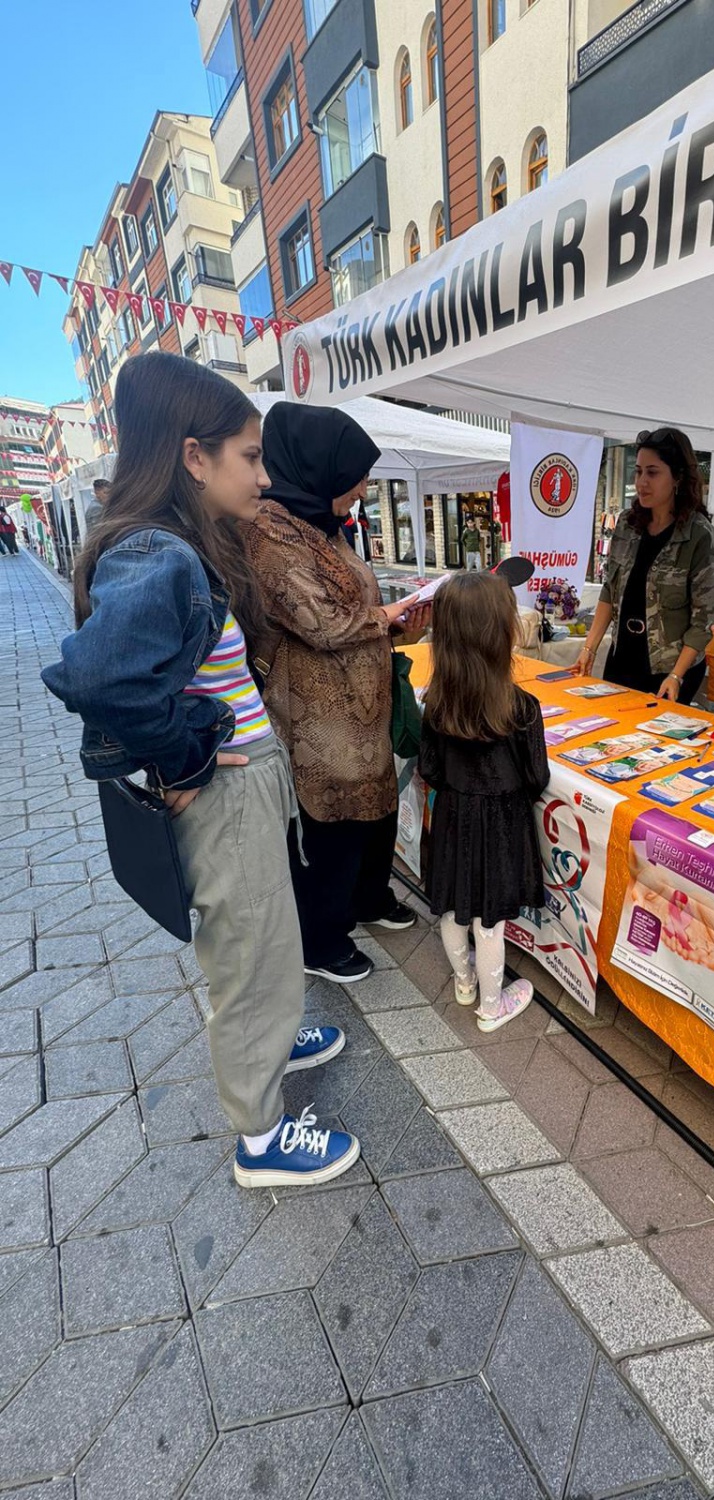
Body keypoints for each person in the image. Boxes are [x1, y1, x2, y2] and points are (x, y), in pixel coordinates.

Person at [41, 352, 359, 1188]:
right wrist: (184, 750)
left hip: (245, 780)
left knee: (260, 933)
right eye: (248, 457)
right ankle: (260, 1137)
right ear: (193, 455)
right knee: (245, 945)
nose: (262, 474)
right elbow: (100, 676)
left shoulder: (177, 542)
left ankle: (275, 1034)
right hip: (224, 787)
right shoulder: (159, 551)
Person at [243, 401, 421, 986]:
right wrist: (384, 614)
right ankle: (320, 939)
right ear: (320, 468)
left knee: (375, 811)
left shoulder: (323, 524)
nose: (363, 492)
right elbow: (318, 620)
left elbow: (357, 603)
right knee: (332, 825)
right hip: (316, 713)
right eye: (355, 478)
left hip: (361, 706)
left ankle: (368, 900)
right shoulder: (270, 532)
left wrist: (401, 619)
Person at [419, 571, 550, 1032]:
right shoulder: (522, 707)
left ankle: (464, 982)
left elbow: (429, 769)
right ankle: (492, 1007)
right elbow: (538, 778)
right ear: (502, 632)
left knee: (454, 907)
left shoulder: (436, 702)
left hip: (454, 817)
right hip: (501, 823)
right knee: (489, 920)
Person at [575, 427, 714, 702]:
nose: (642, 481)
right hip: (623, 658)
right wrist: (589, 648)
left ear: (678, 477)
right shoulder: (627, 524)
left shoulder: (699, 536)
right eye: (639, 471)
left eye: (653, 472)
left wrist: (677, 675)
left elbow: (703, 620)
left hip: (670, 669)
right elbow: (610, 589)